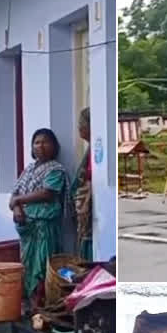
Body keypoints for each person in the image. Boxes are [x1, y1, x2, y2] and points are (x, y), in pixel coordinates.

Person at [9, 128, 67, 303]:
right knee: (27, 264)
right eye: (36, 142)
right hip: (27, 228)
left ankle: (42, 302)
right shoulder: (28, 170)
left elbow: (47, 193)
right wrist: (17, 207)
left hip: (45, 226)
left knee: (42, 264)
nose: (40, 146)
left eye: (45, 142)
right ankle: (30, 300)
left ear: (54, 146)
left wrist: (19, 200)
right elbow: (14, 196)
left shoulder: (56, 169)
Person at [74, 108, 93, 260]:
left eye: (82, 123)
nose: (79, 128)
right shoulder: (89, 149)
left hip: (89, 208)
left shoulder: (96, 150)